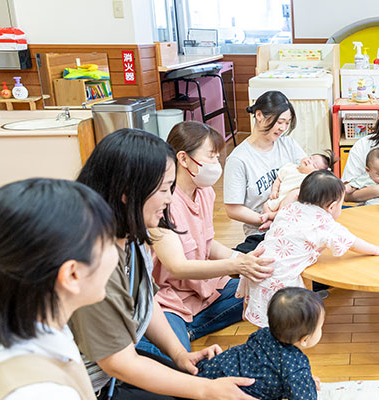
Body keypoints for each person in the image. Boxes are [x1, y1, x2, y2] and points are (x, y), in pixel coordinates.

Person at [71, 129, 256, 399]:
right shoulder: (94, 260)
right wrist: (205, 389)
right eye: (162, 190)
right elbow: (119, 363)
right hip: (86, 387)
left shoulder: (132, 237)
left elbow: (146, 299)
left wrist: (180, 355)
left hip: (112, 370)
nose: (169, 199)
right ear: (127, 192)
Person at [0, 179, 117, 399]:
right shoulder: (42, 392)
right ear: (72, 274)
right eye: (109, 242)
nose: (116, 252)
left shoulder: (3, 328)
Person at [136, 121, 276, 359]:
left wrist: (242, 260)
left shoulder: (205, 192)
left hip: (208, 287)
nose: (217, 163)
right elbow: (178, 267)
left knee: (269, 290)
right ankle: (180, 330)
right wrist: (236, 265)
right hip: (172, 300)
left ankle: (191, 328)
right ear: (183, 158)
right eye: (211, 156)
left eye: (217, 157)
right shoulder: (163, 202)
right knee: (171, 357)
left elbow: (206, 243)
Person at [238, 171, 379, 327]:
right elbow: (352, 242)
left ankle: (258, 324)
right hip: (281, 279)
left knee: (264, 314)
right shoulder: (324, 224)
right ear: (332, 206)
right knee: (288, 322)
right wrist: (376, 249)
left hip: (256, 267)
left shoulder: (288, 208)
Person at [198, 287, 325, 400]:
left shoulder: (263, 333)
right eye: (320, 327)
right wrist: (303, 382)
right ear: (304, 339)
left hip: (210, 370)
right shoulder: (296, 366)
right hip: (230, 392)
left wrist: (303, 379)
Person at [225, 91, 307, 253]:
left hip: (296, 222)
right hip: (262, 232)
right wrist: (270, 218)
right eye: (280, 122)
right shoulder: (238, 159)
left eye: (287, 123)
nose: (283, 128)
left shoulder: (288, 144)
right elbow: (233, 209)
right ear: (259, 115)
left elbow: (310, 175)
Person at [263, 152, 333, 224]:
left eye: (314, 165)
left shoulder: (307, 179)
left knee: (287, 206)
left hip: (289, 203)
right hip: (278, 197)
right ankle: (269, 221)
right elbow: (278, 179)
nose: (309, 161)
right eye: (310, 158)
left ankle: (272, 217)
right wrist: (274, 190)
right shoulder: (290, 167)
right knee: (266, 205)